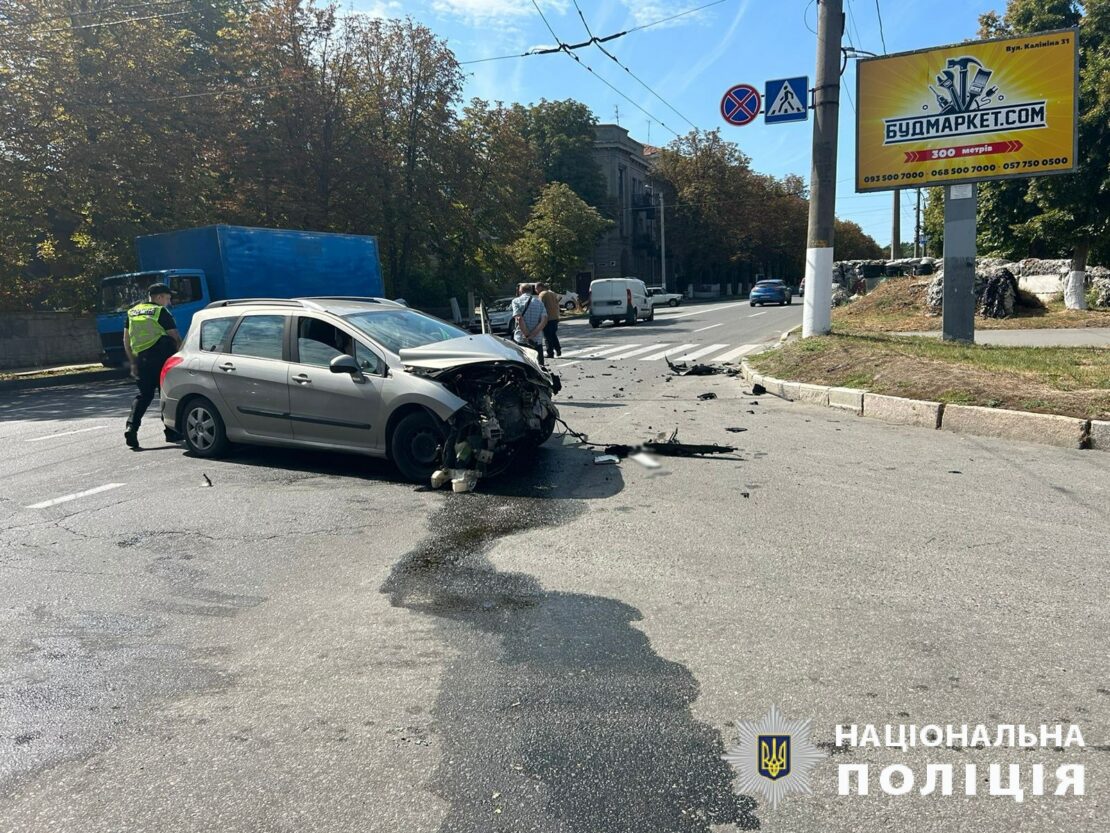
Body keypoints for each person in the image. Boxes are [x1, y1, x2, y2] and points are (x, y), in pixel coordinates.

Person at [123, 283, 182, 449]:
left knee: (144, 395)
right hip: (162, 359)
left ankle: (131, 427)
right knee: (166, 395)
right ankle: (171, 432)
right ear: (159, 297)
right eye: (168, 298)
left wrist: (133, 363)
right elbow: (175, 337)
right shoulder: (160, 311)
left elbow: (126, 341)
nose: (169, 302)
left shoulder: (132, 312)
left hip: (141, 360)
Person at [510, 282, 548, 367]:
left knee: (523, 366)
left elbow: (519, 318)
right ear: (531, 291)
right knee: (539, 367)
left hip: (521, 339)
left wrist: (527, 335)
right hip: (536, 340)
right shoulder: (539, 303)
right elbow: (544, 320)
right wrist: (533, 334)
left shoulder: (516, 301)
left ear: (520, 291)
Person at [536, 282, 562, 358]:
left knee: (547, 337)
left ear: (540, 287)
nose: (536, 290)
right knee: (553, 335)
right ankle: (558, 349)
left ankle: (550, 353)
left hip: (547, 318)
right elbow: (559, 298)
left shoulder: (542, 294)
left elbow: (540, 307)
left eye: (536, 288)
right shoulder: (552, 293)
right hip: (555, 317)